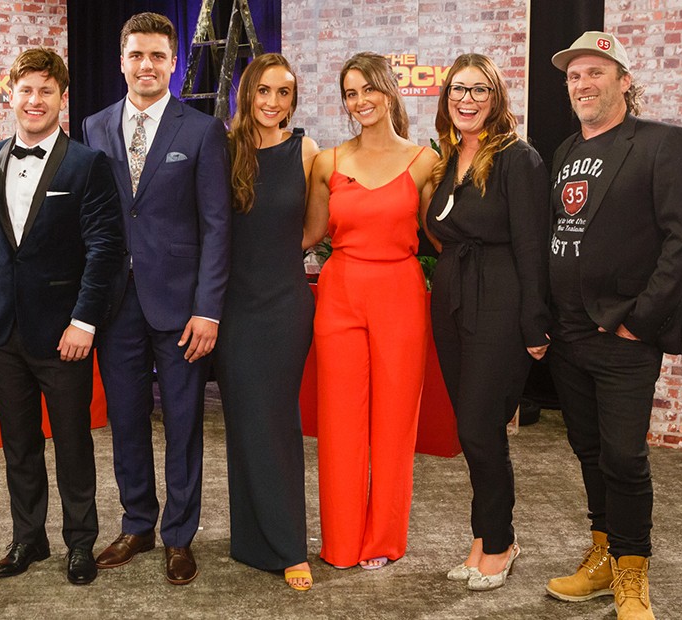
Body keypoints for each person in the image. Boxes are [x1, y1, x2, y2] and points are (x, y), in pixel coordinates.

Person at [543, 32, 682, 620]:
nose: (582, 84)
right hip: (569, 333)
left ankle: (633, 573)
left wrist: (640, 320)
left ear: (624, 81)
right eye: (573, 76)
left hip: (622, 335)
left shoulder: (662, 143)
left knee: (624, 457)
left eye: (595, 73)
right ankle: (604, 557)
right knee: (588, 450)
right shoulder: (564, 151)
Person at [81, 12, 230, 586]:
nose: (147, 65)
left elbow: (217, 225)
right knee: (124, 420)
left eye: (158, 56)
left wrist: (208, 308)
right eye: (137, 55)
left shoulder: (202, 131)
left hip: (182, 307)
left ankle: (179, 535)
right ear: (121, 61)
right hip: (115, 304)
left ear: (173, 63)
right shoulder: (94, 126)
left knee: (185, 423)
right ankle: (138, 523)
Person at [0, 48, 125, 586]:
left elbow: (104, 248)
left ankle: (80, 542)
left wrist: (84, 321)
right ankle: (28, 538)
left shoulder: (87, 163)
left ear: (62, 98)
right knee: (18, 443)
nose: (34, 100)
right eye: (26, 90)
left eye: (46, 91)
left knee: (73, 442)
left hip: (64, 333)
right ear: (10, 95)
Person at [302, 52, 438, 570]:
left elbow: (442, 237)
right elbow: (309, 234)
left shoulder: (424, 161)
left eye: (369, 89)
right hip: (339, 295)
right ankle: (339, 541)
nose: (361, 101)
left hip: (401, 295)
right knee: (339, 423)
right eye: (351, 93)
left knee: (395, 423)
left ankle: (383, 539)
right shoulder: (328, 162)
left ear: (389, 90)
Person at [423, 53, 551, 591]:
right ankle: (483, 538)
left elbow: (532, 246)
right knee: (471, 430)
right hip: (452, 299)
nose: (467, 99)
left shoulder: (518, 158)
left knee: (480, 428)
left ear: (495, 98)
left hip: (500, 301)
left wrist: (535, 324)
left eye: (479, 90)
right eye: (458, 89)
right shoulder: (448, 156)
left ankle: (499, 542)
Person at [215, 53, 318, 592]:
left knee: (277, 420)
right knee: (243, 420)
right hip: (234, 306)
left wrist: (276, 255)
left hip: (284, 305)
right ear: (247, 93)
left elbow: (315, 228)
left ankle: (288, 545)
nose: (273, 102)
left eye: (284, 93)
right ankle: (251, 540)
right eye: (264, 90)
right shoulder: (223, 149)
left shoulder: (306, 150)